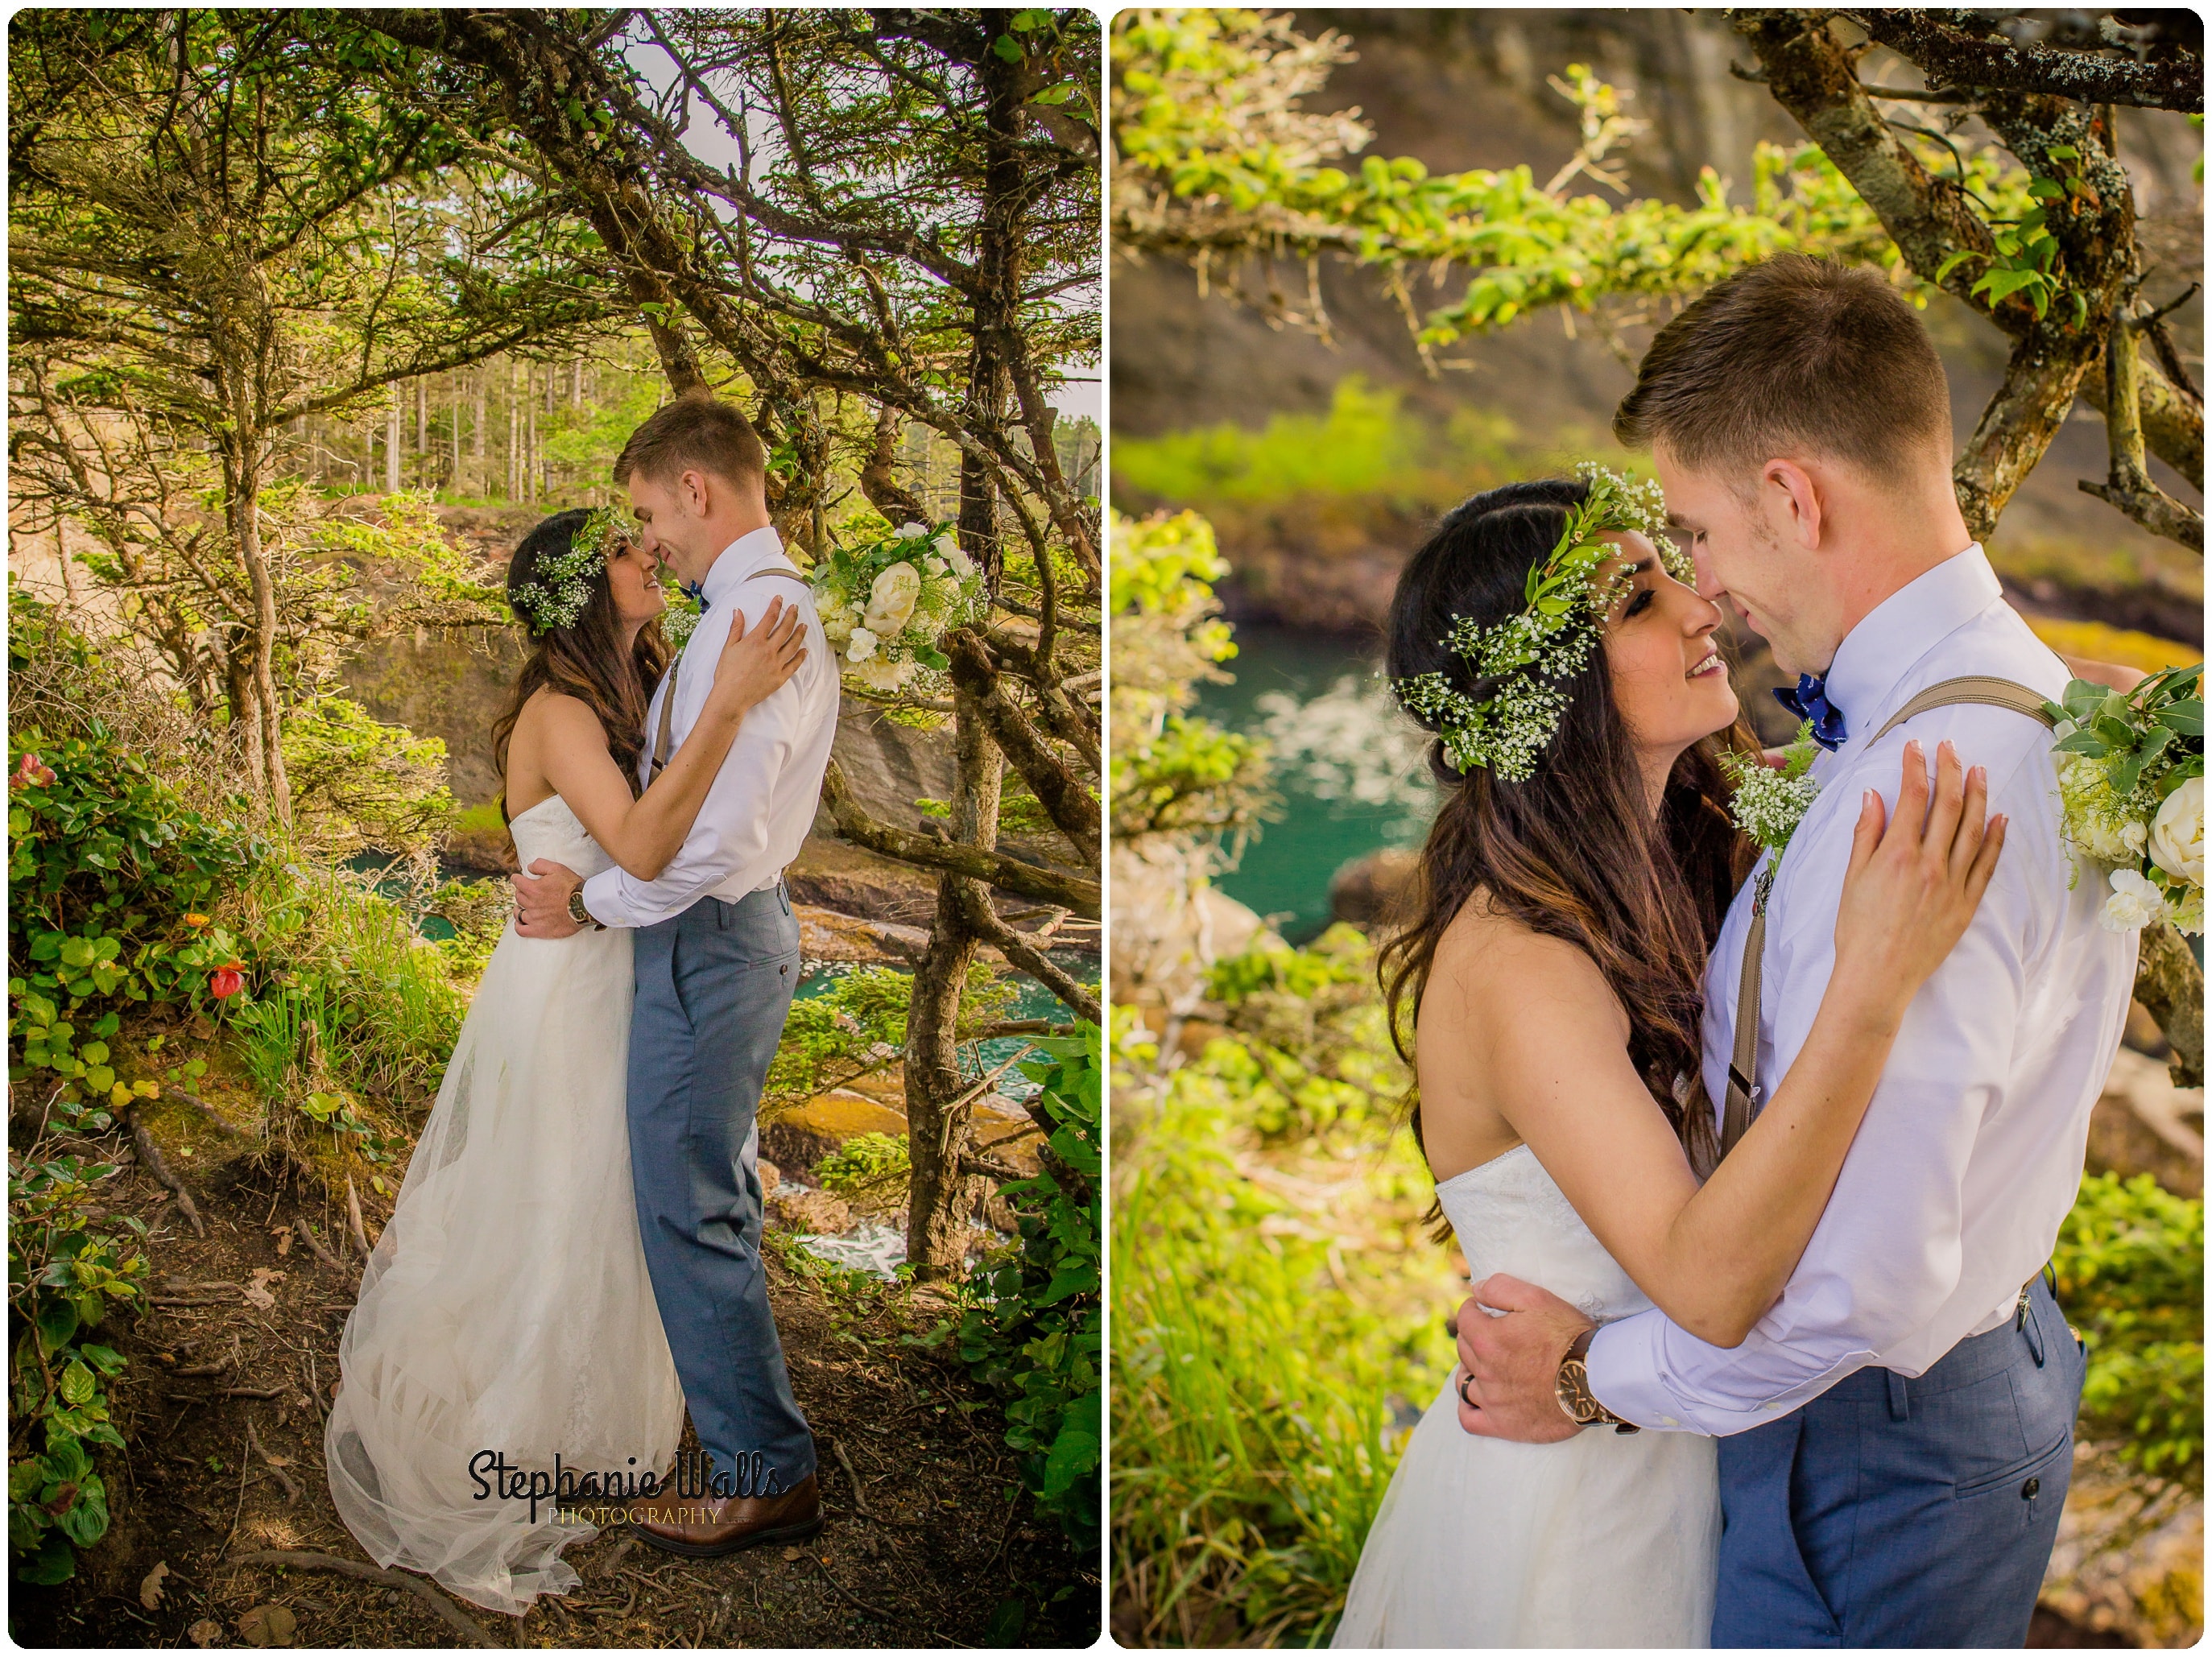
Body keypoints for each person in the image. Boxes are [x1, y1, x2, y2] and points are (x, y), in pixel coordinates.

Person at [1443, 254, 2136, 1647]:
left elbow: (1859, 1280)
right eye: (1653, 585)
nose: (1705, 592)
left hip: (1867, 1438)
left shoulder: (1931, 789)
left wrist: (1595, 1381)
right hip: (1876, 1410)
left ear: (1793, 499)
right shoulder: (1992, 712)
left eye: (1692, 534)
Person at [1332, 461, 2009, 1647]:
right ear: (1552, 691)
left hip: (1689, 1450)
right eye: (1637, 600)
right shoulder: (1524, 961)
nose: (1700, 605)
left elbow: (1910, 745)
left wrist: (2097, 716)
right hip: (1578, 1512)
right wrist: (1874, 983)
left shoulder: (1687, 830)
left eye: (1668, 570)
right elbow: (1707, 1282)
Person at [325, 502, 808, 1614]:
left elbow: (658, 841)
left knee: (606, 1196)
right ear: (583, 594)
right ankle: (521, 1428)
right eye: (628, 553)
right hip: (568, 994)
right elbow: (640, 842)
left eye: (645, 540)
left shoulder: (626, 691)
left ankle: (600, 1412)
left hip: (613, 971)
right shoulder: (558, 713)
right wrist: (732, 704)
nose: (651, 557)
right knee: (555, 1191)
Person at [511, 392, 841, 1560]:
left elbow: (703, 846)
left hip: (706, 936)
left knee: (688, 1203)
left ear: (695, 490)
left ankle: (765, 1473)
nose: (650, 540)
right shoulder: (754, 610)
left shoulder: (751, 616)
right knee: (711, 1193)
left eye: (650, 513)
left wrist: (593, 900)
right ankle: (760, 1447)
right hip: (715, 935)